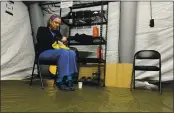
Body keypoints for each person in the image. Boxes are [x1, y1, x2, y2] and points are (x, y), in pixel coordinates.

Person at [36, 14, 78, 91]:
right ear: (50, 21)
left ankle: (69, 79)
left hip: (55, 52)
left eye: (59, 23)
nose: (58, 25)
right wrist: (58, 40)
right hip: (43, 53)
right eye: (56, 22)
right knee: (63, 53)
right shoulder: (42, 29)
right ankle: (60, 81)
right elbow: (43, 40)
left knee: (72, 52)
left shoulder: (57, 32)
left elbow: (59, 44)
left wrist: (63, 41)